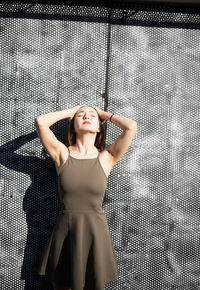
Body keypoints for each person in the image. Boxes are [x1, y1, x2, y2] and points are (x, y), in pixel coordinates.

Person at [35, 105, 137, 290]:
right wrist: (72, 112)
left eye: (92, 115)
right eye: (81, 115)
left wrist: (103, 114)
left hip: (95, 233)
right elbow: (41, 122)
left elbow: (130, 126)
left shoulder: (107, 157)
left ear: (99, 127)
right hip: (66, 232)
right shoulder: (62, 154)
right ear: (73, 125)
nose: (86, 116)